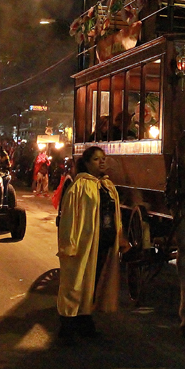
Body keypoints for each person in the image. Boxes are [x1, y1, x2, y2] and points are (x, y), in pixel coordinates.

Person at [56, 146, 129, 344]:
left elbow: (115, 216)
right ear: (87, 163)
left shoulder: (107, 186)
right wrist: (69, 244)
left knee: (92, 283)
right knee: (75, 282)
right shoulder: (79, 187)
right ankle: (68, 325)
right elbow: (69, 218)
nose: (102, 162)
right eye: (97, 159)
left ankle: (84, 319)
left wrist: (120, 237)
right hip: (83, 244)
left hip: (102, 243)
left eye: (103, 158)